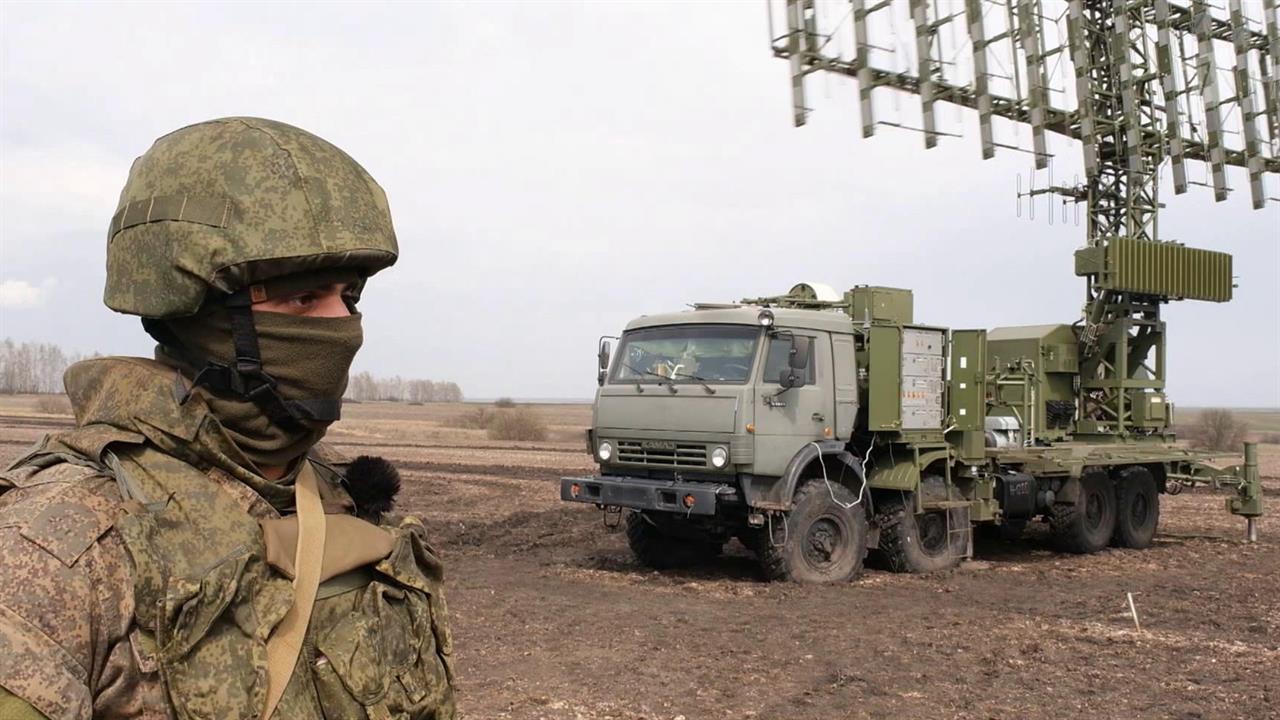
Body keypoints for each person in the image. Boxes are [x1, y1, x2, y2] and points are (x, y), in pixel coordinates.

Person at [0, 117, 455, 719]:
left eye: (349, 295)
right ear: (199, 314)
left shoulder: (336, 499)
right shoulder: (61, 545)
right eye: (303, 298)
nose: (342, 325)